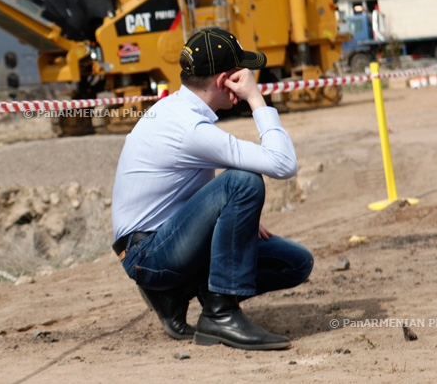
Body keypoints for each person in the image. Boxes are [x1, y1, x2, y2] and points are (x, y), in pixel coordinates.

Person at [111, 28, 313, 350]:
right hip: (148, 253)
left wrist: (232, 218)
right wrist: (256, 98)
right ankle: (220, 315)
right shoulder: (190, 128)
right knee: (243, 181)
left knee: (296, 262)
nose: (246, 81)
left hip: (159, 241)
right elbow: (283, 164)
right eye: (241, 75)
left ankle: (173, 295)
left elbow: (176, 193)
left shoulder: (179, 109)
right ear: (224, 81)